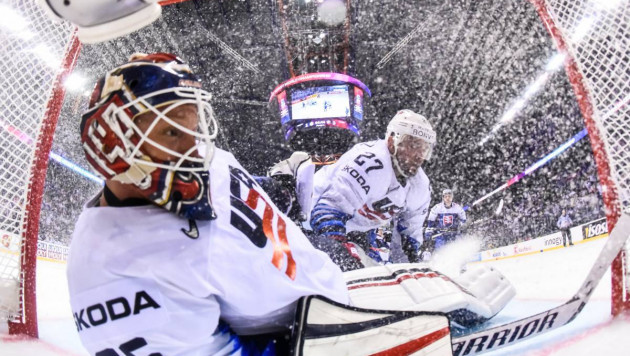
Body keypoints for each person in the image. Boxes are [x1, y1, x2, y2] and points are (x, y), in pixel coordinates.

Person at [67, 53, 349, 355]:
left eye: (195, 127)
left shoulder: (193, 157)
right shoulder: (110, 274)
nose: (195, 150)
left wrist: (279, 191)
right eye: (172, 131)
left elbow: (234, 196)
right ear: (112, 141)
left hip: (326, 282)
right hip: (316, 333)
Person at [309, 109, 436, 266]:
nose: (419, 155)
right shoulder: (371, 163)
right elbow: (326, 211)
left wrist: (412, 267)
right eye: (413, 145)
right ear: (391, 142)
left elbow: (409, 237)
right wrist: (340, 250)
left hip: (357, 231)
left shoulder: (420, 186)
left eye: (424, 148)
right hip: (310, 223)